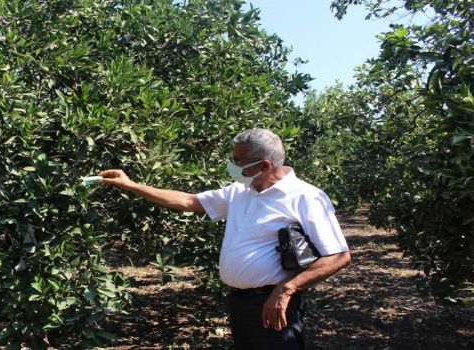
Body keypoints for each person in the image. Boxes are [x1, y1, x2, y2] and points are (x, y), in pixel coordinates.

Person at [100, 128, 351, 349]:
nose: (232, 164)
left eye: (237, 160)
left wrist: (286, 290)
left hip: (274, 303)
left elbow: (337, 256)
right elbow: (188, 201)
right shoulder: (240, 191)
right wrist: (130, 185)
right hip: (240, 303)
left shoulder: (305, 196)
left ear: (264, 165)